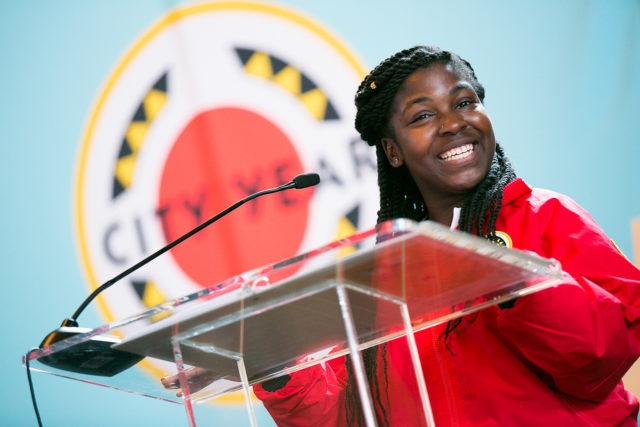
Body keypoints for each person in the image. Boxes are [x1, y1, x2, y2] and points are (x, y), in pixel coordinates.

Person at [249, 45, 640, 426]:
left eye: (465, 103)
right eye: (422, 116)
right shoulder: (381, 281)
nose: (453, 123)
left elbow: (602, 358)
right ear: (393, 151)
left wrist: (519, 282)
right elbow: (349, 415)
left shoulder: (548, 216)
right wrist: (271, 367)